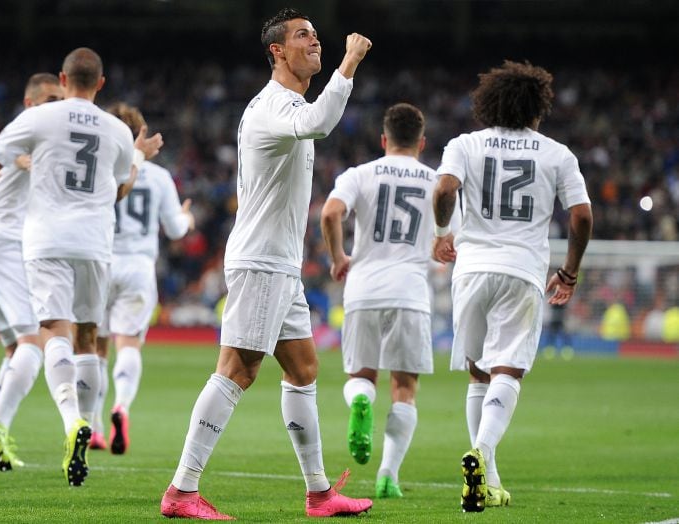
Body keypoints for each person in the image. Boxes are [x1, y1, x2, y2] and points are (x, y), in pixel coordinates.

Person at [160, 8, 373, 520]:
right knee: (236, 371)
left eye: (318, 36)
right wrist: (349, 62)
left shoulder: (288, 104)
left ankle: (320, 494)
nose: (316, 42)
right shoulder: (273, 107)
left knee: (302, 369)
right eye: (304, 36)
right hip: (260, 262)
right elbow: (320, 123)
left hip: (280, 263)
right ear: (277, 51)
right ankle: (182, 491)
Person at [0, 47, 163, 486]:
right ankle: (90, 420)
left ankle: (72, 419)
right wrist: (138, 157)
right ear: (101, 83)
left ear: (63, 77)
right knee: (89, 338)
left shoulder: (39, 118)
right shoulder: (115, 130)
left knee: (53, 329)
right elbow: (118, 189)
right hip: (95, 241)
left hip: (45, 239)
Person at [431, 60, 593, 512]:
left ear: (489, 104)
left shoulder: (464, 144)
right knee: (509, 370)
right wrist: (570, 271)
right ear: (537, 107)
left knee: (478, 371)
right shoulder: (557, 154)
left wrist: (443, 230)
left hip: (471, 268)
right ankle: (482, 455)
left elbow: (444, 190)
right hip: (522, 270)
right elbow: (581, 216)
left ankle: (488, 479)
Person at [321, 102, 458, 499]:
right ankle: (387, 476)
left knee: (361, 378)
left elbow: (331, 214)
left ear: (384, 140)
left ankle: (361, 403)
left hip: (363, 289)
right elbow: (448, 242)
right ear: (422, 142)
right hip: (410, 293)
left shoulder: (359, 175)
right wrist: (439, 246)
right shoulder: (436, 181)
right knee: (404, 387)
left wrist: (338, 258)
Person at [0, 73, 63, 471]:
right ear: (30, 103)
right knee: (34, 343)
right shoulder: (30, 135)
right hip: (5, 248)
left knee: (13, 349)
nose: (56, 105)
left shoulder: (23, 137)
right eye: (49, 99)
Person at [88, 102, 194, 454]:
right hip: (138, 267)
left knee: (96, 348)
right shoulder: (160, 177)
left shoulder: (100, 169)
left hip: (101, 262)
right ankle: (122, 406)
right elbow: (177, 230)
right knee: (128, 343)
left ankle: (95, 426)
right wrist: (186, 218)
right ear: (140, 135)